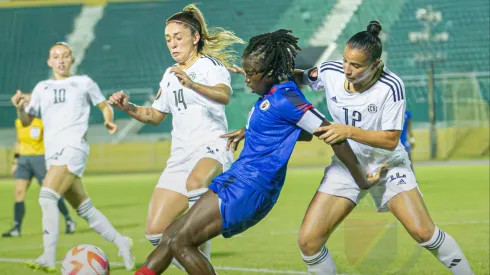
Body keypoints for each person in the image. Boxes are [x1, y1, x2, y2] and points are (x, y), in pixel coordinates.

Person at [133, 29, 385, 275]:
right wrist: (250, 131)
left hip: (249, 189)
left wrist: (361, 179)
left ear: (271, 73)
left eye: (251, 73)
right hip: (237, 181)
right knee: (169, 236)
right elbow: (298, 131)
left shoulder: (288, 98)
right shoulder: (273, 93)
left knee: (180, 243)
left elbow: (330, 134)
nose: (246, 78)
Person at [292, 21, 473, 275]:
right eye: (345, 61)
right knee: (308, 242)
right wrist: (267, 72)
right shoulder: (329, 71)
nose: (347, 69)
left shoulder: (391, 86)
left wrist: (347, 131)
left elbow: (390, 139)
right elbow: (300, 77)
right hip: (347, 166)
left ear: (375, 64)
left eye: (356, 65)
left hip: (387, 164)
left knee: (424, 232)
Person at [108, 3, 244, 270]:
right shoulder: (170, 75)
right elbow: (156, 115)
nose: (172, 44)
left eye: (178, 37)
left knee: (196, 184)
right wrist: (129, 107)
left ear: (195, 38)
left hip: (211, 147)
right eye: (168, 39)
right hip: (180, 156)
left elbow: (224, 96)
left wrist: (191, 83)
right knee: (156, 233)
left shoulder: (210, 66)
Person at [11, 42, 135, 273]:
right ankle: (121, 241)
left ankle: (48, 257)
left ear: (72, 59)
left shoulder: (84, 83)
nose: (60, 60)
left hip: (74, 148)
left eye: (65, 56)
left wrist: (108, 119)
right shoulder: (41, 88)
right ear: (49, 61)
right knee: (85, 209)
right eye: (55, 57)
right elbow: (27, 121)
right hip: (53, 155)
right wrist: (19, 108)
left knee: (47, 197)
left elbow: (103, 105)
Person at [2, 95, 75, 238]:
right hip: (23, 160)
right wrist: (15, 162)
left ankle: (68, 220)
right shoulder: (19, 122)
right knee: (19, 193)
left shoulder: (42, 123)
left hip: (40, 159)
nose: (25, 103)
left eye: (28, 101)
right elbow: (19, 142)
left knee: (50, 193)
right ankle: (16, 228)